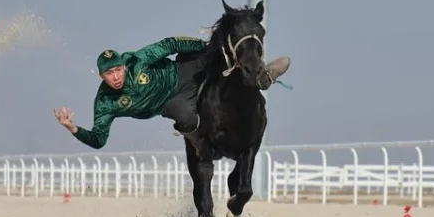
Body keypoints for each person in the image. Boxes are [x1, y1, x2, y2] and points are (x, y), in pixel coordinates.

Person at [53, 36, 291, 150]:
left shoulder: (136, 60)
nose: (115, 76)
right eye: (109, 73)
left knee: (217, 58)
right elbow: (98, 140)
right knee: (188, 119)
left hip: (181, 72)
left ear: (123, 66)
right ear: (101, 76)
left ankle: (262, 77)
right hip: (168, 102)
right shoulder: (105, 102)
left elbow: (169, 45)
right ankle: (198, 142)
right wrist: (72, 128)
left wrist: (205, 47)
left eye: (118, 70)